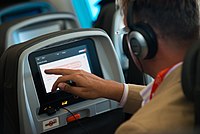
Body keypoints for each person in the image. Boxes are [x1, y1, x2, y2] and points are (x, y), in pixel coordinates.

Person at [45, 0, 200, 133]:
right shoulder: (192, 79)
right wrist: (115, 90)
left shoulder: (141, 129)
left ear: (139, 42)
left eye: (126, 32)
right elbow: (172, 96)